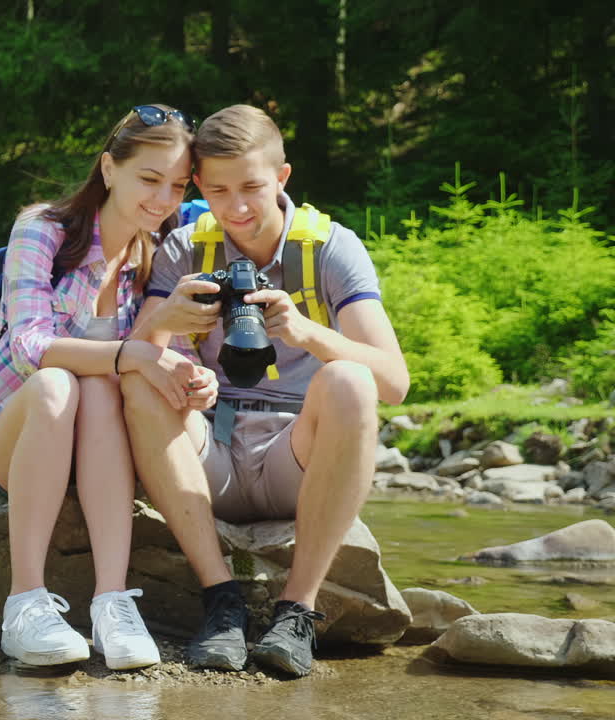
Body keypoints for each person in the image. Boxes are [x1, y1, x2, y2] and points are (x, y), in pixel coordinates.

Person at [0, 104, 218, 670]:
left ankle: (112, 604)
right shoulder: (44, 229)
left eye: (178, 186)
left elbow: (171, 352)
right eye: (149, 178)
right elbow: (27, 344)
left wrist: (193, 380)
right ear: (108, 168)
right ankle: (24, 604)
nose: (163, 199)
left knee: (103, 387)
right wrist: (129, 353)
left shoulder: (165, 250)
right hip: (25, 434)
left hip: (108, 447)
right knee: (60, 382)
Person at [121, 104, 409, 677]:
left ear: (281, 177)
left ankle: (296, 610)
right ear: (198, 185)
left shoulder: (329, 248)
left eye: (252, 187)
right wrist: (168, 327)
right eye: (218, 191)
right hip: (213, 451)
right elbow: (135, 353)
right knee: (139, 375)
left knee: (350, 378)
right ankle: (220, 599)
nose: (237, 208)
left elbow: (393, 383)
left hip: (295, 460)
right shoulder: (186, 248)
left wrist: (305, 332)